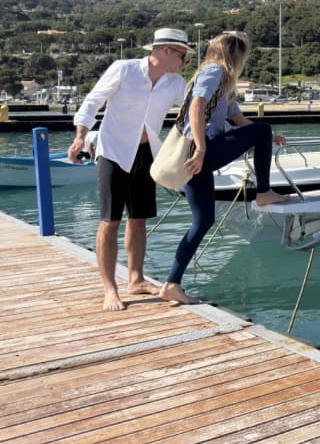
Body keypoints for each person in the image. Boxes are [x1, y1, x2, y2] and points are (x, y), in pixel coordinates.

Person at [68, 28, 191, 311]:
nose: (184, 61)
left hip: (147, 154)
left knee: (139, 218)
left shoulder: (175, 83)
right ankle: (109, 288)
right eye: (182, 55)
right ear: (165, 51)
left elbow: (195, 111)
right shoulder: (124, 70)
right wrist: (79, 136)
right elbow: (92, 102)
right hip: (113, 151)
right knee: (109, 221)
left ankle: (136, 279)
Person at [162, 31, 288, 304]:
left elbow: (234, 116)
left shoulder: (223, 81)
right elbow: (196, 108)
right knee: (261, 130)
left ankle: (171, 284)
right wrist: (203, 150)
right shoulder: (214, 73)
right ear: (235, 54)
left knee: (203, 221)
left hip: (199, 152)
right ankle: (263, 193)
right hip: (201, 149)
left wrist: (265, 136)